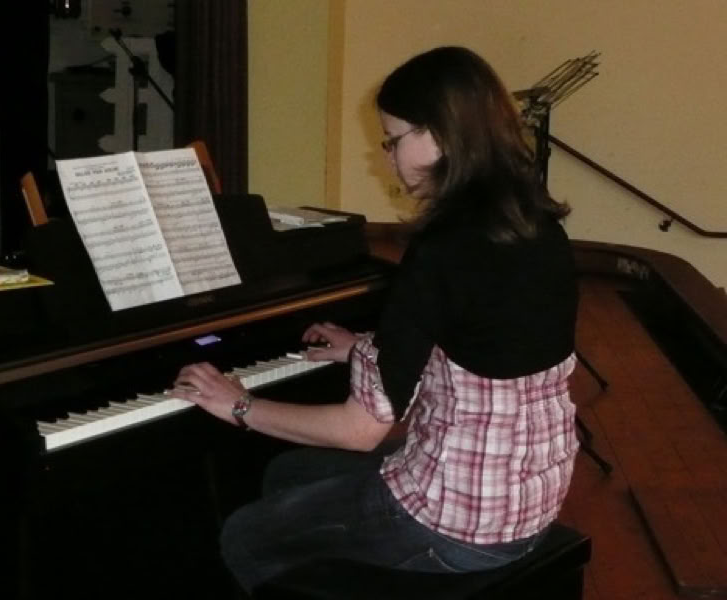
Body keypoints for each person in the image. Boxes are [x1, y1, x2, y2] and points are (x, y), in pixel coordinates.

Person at [172, 45, 580, 594]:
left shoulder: (443, 249)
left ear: (439, 135)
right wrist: (368, 347)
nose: (387, 156)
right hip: (530, 496)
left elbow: (360, 432)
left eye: (392, 139)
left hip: (456, 525)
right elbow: (480, 342)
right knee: (288, 473)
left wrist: (238, 405)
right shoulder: (534, 225)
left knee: (245, 535)